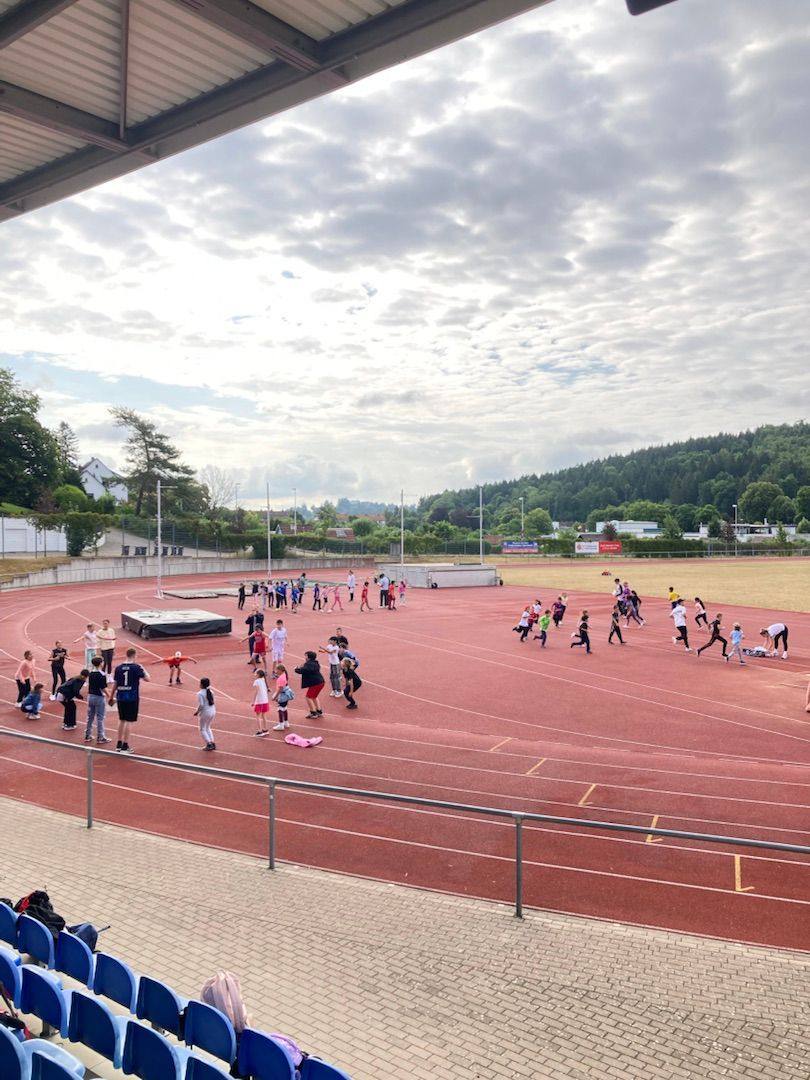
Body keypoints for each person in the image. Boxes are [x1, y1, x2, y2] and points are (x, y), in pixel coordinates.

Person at [109, 647, 150, 754]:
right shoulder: (136, 667)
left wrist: (111, 696)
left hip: (121, 696)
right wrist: (143, 669)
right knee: (129, 721)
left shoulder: (118, 668)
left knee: (121, 719)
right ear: (134, 655)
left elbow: (115, 683)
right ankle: (125, 745)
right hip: (132, 697)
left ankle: (118, 743)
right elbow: (147, 679)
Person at [84, 657, 110, 743]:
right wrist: (110, 696)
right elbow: (103, 688)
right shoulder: (102, 674)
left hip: (90, 696)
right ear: (100, 663)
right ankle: (100, 736)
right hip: (99, 697)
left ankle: (87, 734)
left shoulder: (91, 673)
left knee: (90, 717)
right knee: (100, 718)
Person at [295, 651, 324, 719]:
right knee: (314, 696)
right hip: (320, 682)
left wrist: (296, 669)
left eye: (306, 656)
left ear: (308, 657)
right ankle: (319, 710)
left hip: (315, 683)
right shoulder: (315, 663)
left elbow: (303, 670)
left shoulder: (309, 664)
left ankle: (313, 712)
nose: (305, 657)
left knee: (308, 697)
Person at [194, 678, 217, 750]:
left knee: (202, 729)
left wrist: (197, 711)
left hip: (205, 712)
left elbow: (201, 704)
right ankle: (212, 743)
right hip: (213, 711)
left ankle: (208, 744)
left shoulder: (200, 693)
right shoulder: (211, 691)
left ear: (201, 685)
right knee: (208, 727)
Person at [271, 665, 292, 731]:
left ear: (280, 670)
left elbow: (280, 689)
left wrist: (275, 697)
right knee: (284, 708)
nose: (276, 671)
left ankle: (281, 725)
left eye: (277, 670)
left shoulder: (281, 678)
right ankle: (286, 722)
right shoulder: (284, 674)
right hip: (286, 694)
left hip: (282, 695)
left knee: (280, 709)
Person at [251, 669, 270, 736]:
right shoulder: (263, 680)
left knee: (258, 716)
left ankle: (260, 731)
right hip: (265, 700)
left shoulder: (256, 681)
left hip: (259, 701)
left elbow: (256, 691)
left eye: (256, 673)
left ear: (258, 675)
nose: (255, 675)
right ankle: (265, 729)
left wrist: (253, 701)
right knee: (264, 715)